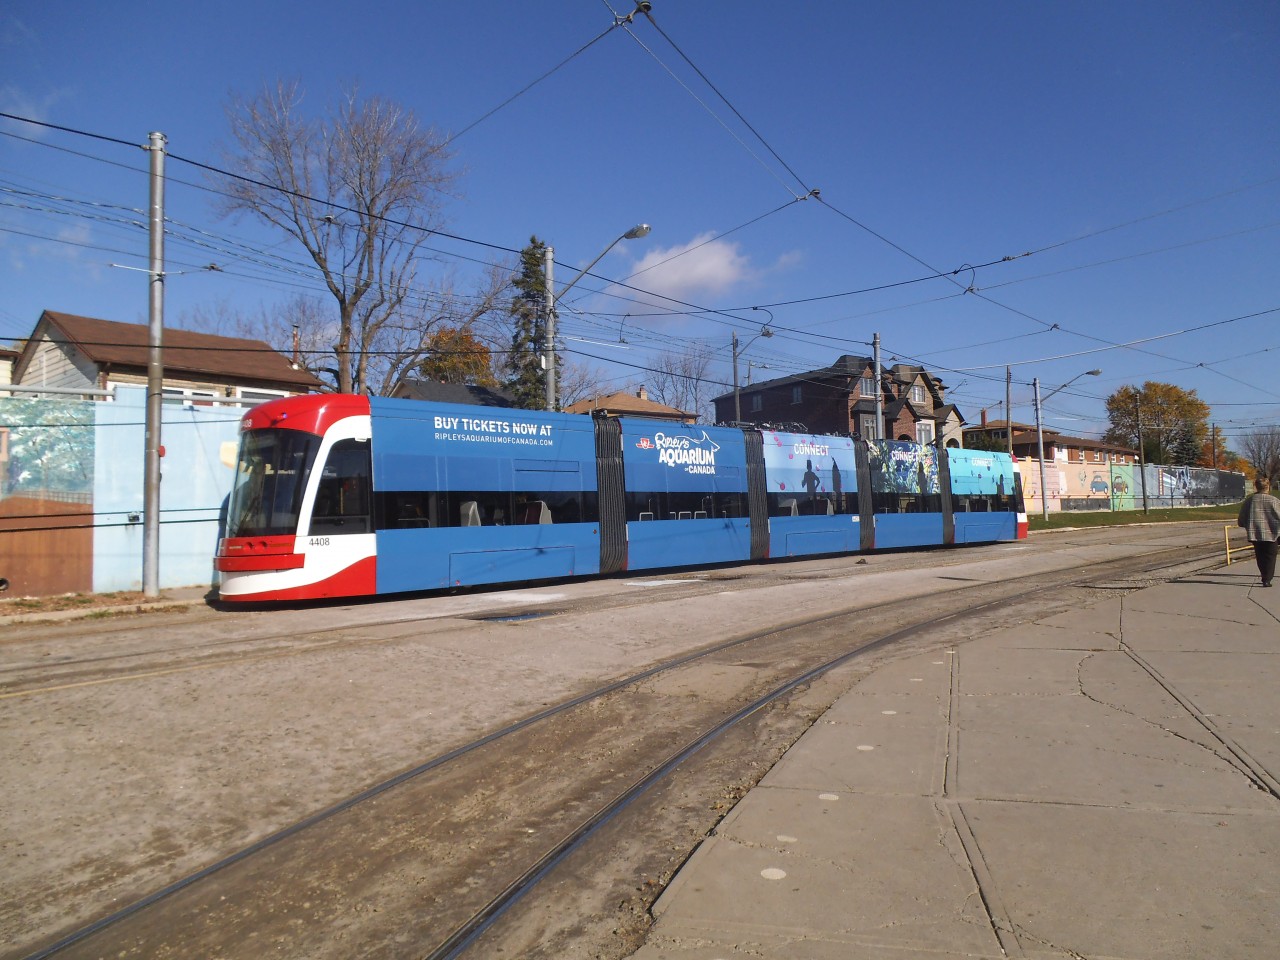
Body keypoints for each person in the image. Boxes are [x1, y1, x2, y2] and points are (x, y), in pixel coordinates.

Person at [1237, 476, 1280, 587]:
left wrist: (1246, 525)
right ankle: (1267, 579)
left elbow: (1241, 519)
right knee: (1270, 557)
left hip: (1255, 534)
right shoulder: (1274, 501)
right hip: (1272, 534)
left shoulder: (1249, 501)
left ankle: (1264, 576)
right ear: (1268, 487)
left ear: (1256, 486)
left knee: (1260, 557)